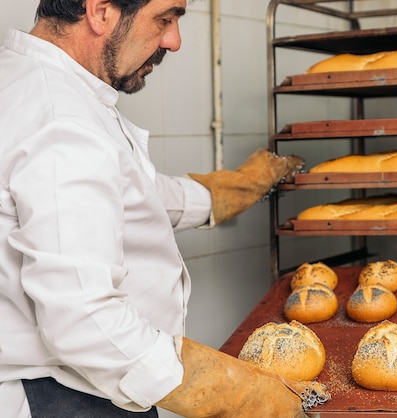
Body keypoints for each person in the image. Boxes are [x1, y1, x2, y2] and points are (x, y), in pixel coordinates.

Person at [0, 0, 328, 416]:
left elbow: (126, 194)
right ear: (100, 11)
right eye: (165, 18)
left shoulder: (23, 80)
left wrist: (232, 189)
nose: (173, 41)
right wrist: (245, 396)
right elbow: (85, 320)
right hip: (65, 397)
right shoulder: (62, 122)